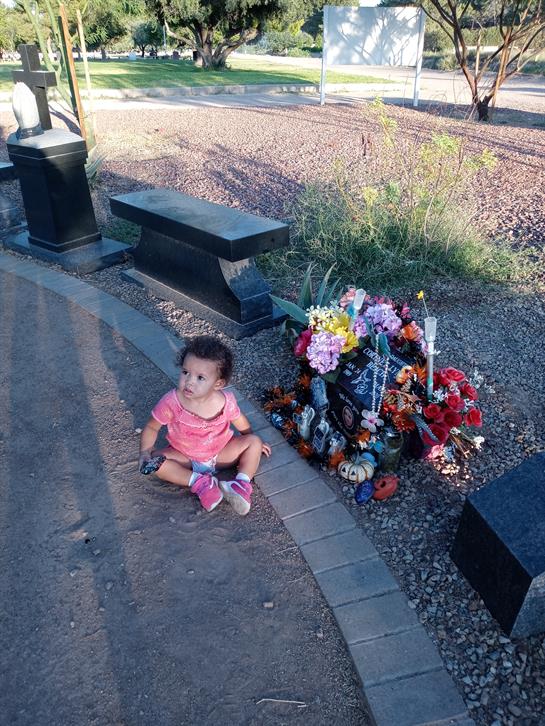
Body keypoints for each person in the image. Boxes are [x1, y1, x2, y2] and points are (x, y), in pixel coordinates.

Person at [139, 335, 271, 515]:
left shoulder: (225, 402)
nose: (190, 381)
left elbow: (239, 420)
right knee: (156, 462)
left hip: (221, 454)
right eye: (185, 372)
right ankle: (200, 483)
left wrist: (248, 436)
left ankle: (240, 484)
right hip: (185, 456)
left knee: (254, 441)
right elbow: (152, 426)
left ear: (218, 383)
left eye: (200, 378)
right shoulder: (172, 402)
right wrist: (145, 451)